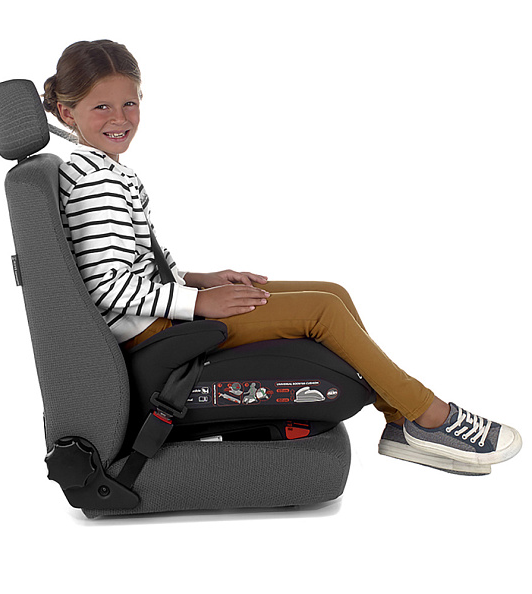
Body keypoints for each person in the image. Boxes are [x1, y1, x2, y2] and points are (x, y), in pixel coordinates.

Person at [43, 39, 521, 475]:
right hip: (154, 333)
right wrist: (198, 303)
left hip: (160, 312)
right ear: (68, 112)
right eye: (101, 107)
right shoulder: (97, 181)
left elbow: (136, 261)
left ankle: (399, 420)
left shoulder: (98, 168)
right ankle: (428, 415)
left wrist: (201, 278)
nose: (120, 118)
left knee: (332, 292)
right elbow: (106, 286)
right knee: (323, 310)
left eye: (130, 103)